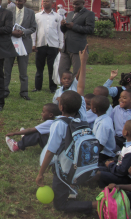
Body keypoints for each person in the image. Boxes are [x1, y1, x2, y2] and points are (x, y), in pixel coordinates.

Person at [36, 45, 98, 213]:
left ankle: (98, 206)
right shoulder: (82, 115)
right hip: (81, 162)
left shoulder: (59, 124)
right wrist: (83, 63)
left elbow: (50, 152)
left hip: (66, 168)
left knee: (60, 206)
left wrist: (41, 174)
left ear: (60, 106)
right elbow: (81, 88)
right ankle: (72, 186)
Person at [4, 0, 36, 100]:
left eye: (20, 1)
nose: (18, 2)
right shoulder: (9, 11)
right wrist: (12, 32)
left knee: (23, 71)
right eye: (16, 0)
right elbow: (5, 26)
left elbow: (33, 28)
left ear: (24, 1)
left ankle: (24, 92)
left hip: (24, 44)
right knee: (7, 70)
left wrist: (23, 32)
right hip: (10, 44)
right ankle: (4, 91)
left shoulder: (30, 12)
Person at [31, 0, 63, 94]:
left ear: (52, 3)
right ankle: (38, 87)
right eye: (44, 1)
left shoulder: (58, 17)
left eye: (47, 1)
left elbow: (60, 32)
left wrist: (61, 45)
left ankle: (53, 88)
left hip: (53, 45)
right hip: (41, 45)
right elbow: (34, 31)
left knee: (52, 68)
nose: (45, 3)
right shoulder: (37, 16)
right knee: (39, 67)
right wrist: (33, 43)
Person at [59, 0, 95, 78]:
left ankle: (76, 90)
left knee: (77, 73)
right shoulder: (70, 14)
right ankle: (65, 89)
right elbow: (64, 31)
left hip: (78, 48)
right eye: (73, 4)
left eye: (77, 4)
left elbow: (90, 30)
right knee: (61, 70)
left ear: (83, 3)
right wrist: (63, 25)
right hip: (66, 47)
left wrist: (74, 26)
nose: (74, 6)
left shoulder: (89, 14)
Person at [96, 120, 131, 188]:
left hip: (124, 178)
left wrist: (110, 165)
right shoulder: (127, 145)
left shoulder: (130, 151)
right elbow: (122, 162)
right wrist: (113, 162)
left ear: (125, 132)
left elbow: (122, 171)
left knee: (98, 174)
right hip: (116, 169)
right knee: (96, 168)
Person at [90, 95, 116, 166]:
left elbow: (100, 145)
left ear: (95, 110)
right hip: (101, 151)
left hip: (104, 154)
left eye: (90, 105)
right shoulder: (104, 118)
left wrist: (91, 157)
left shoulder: (103, 124)